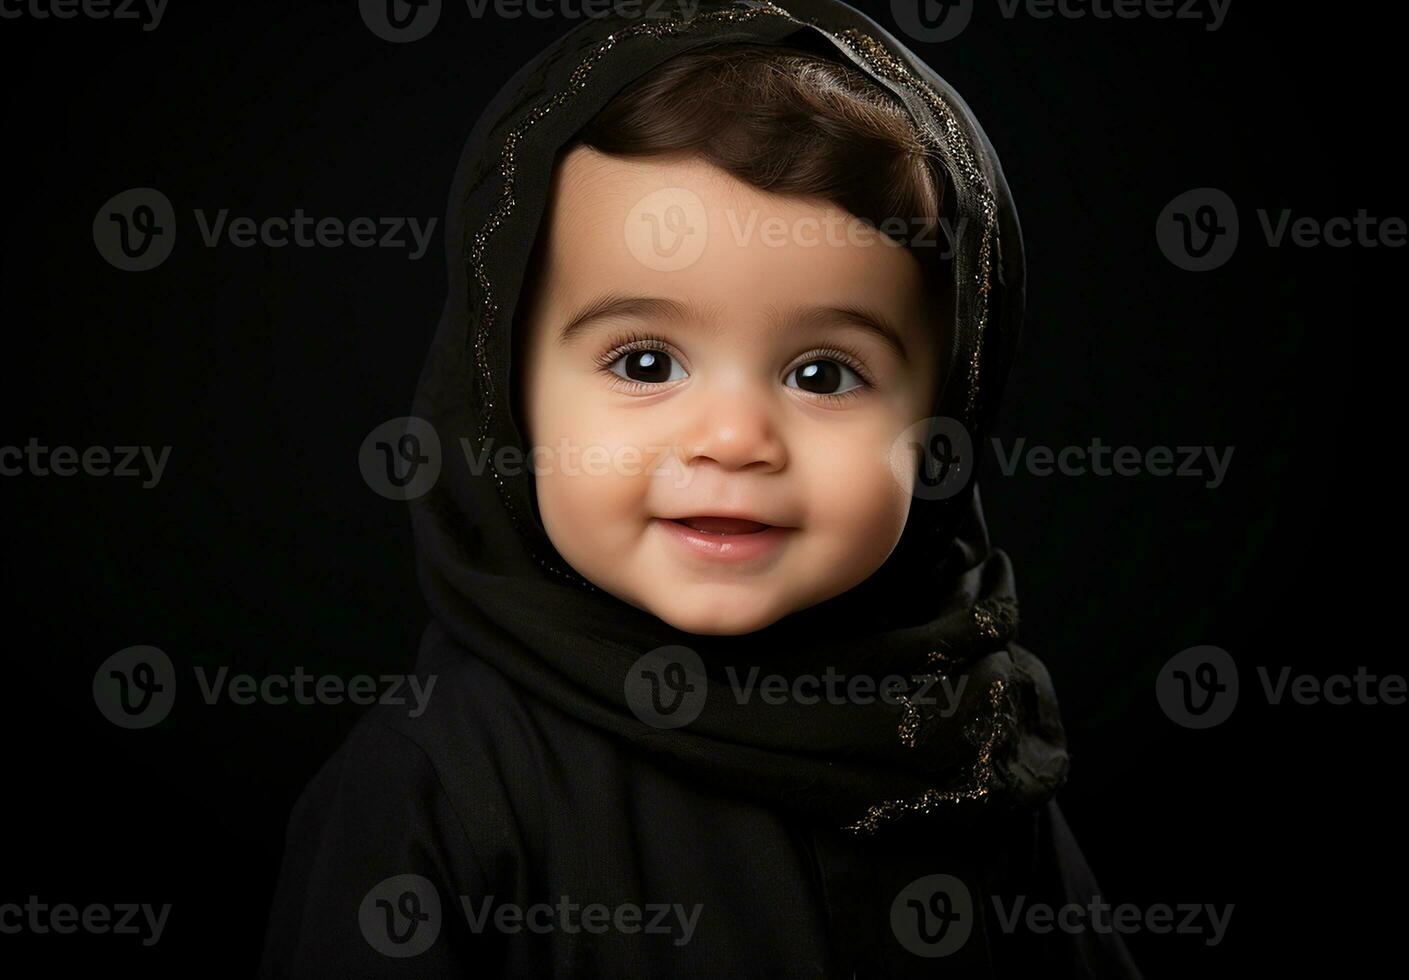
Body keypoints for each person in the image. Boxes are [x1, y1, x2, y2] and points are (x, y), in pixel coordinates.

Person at [259, 1, 1142, 975]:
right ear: (508, 394)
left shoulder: (966, 746)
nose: (732, 439)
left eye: (822, 375)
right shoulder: (442, 777)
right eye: (644, 362)